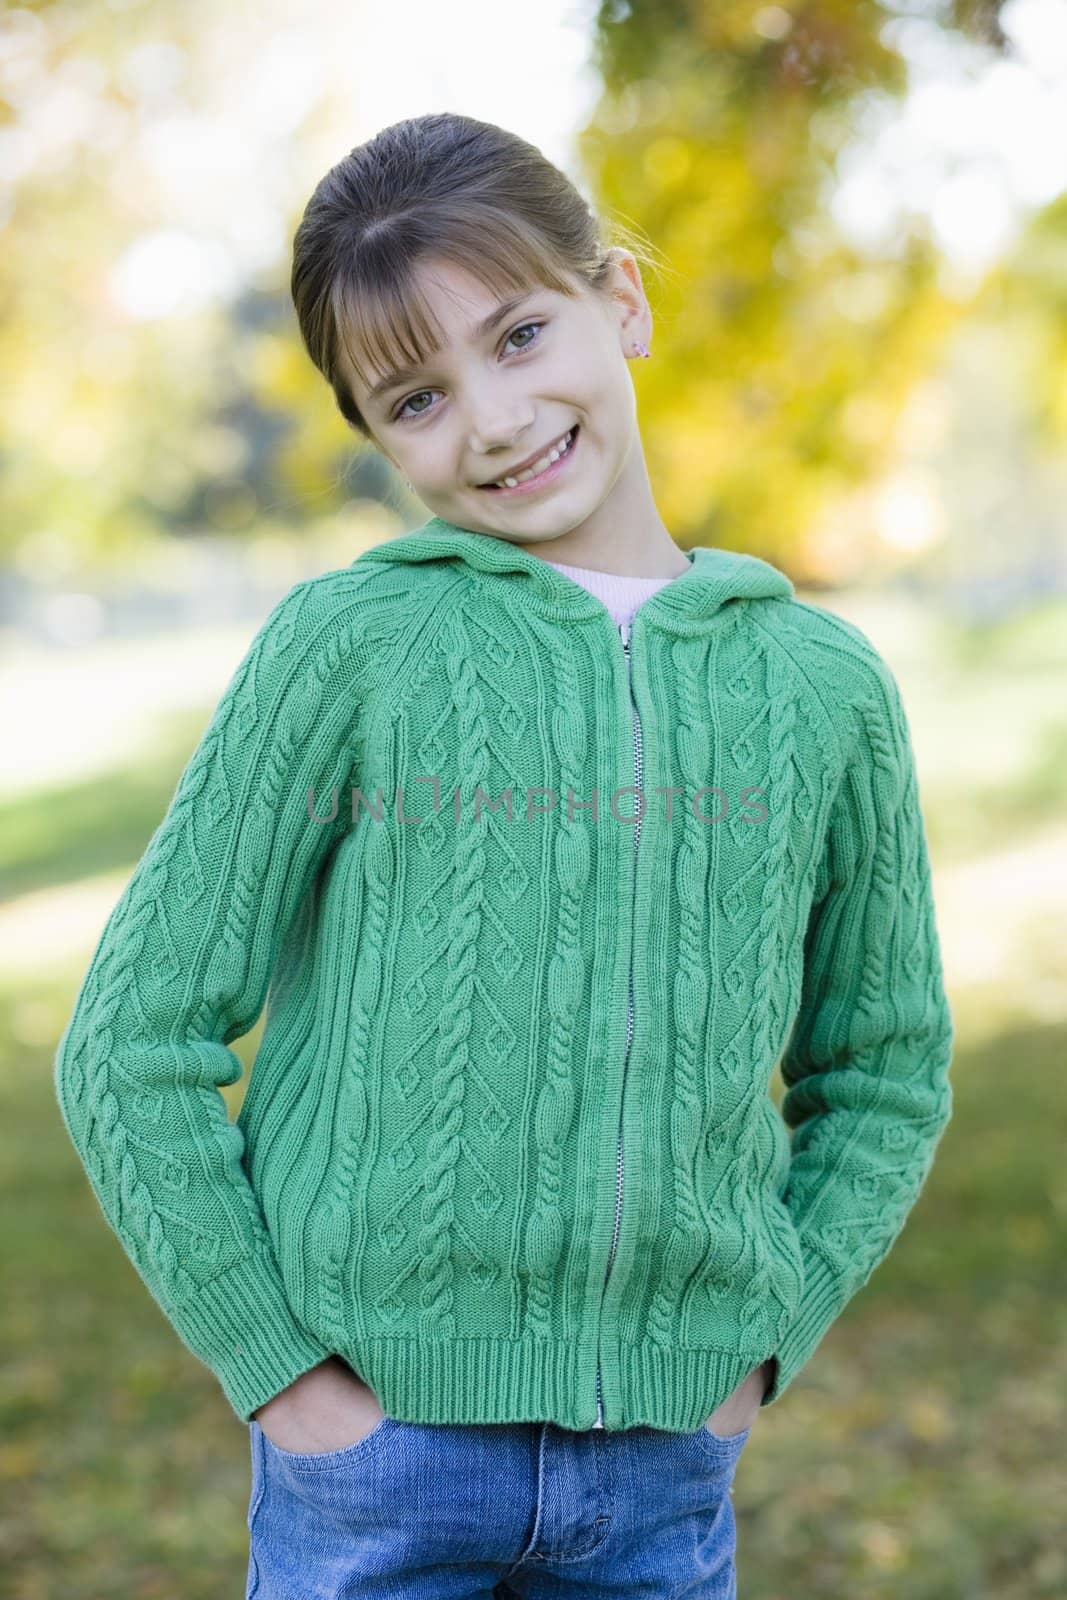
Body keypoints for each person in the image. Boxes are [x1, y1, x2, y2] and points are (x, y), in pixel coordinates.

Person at [54, 111, 955, 1598]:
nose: (490, 420)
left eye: (522, 334)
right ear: (371, 432)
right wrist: (281, 1374)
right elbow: (131, 1040)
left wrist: (765, 1340)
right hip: (378, 1464)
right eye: (414, 398)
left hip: (666, 1465)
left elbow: (887, 1066)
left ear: (624, 300)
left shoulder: (826, 690)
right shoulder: (349, 650)